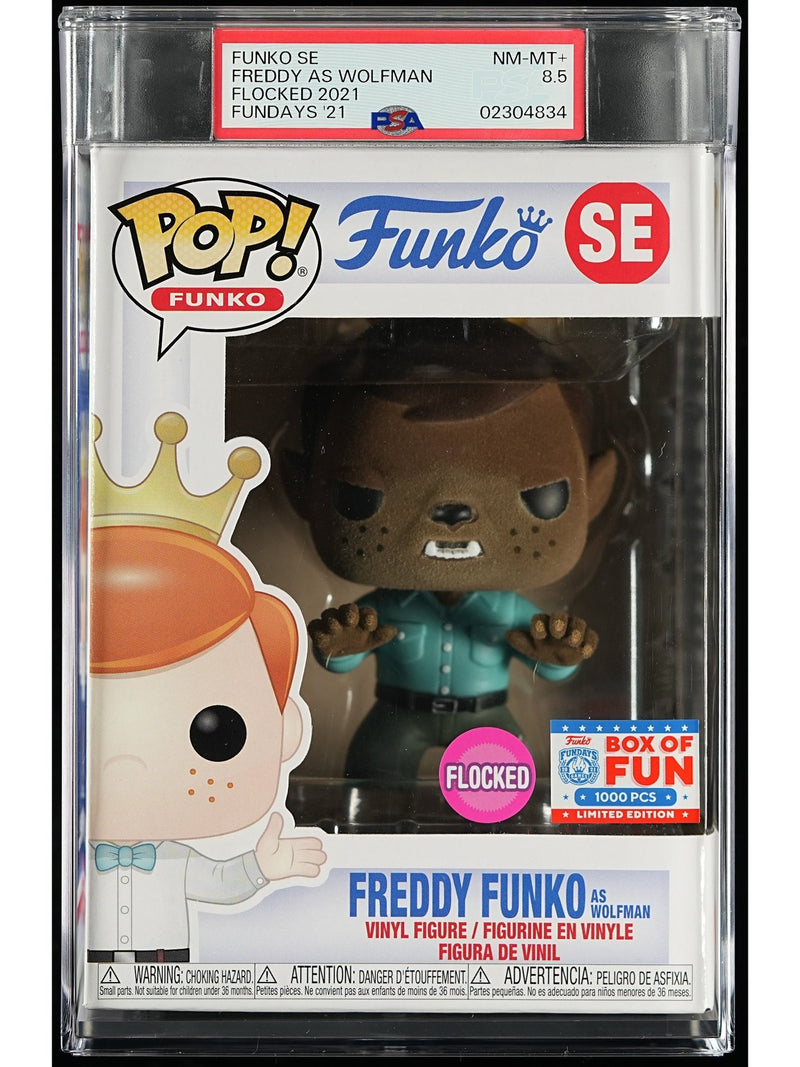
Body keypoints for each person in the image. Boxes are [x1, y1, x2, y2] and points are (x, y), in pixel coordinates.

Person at [283, 320, 619, 780]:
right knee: (373, 784)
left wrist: (558, 659)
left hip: (488, 720)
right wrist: (339, 649)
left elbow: (547, 662)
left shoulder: (509, 612)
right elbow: (339, 658)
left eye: (538, 497)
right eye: (364, 497)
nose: (454, 515)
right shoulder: (383, 608)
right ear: (303, 490)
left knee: (503, 802)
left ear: (594, 491)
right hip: (396, 717)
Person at [87, 412, 325, 963]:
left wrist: (263, 867)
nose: (126, 767)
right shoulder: (64, 855)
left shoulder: (176, 859)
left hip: (170, 966)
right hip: (73, 968)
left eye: (215, 734)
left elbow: (221, 882)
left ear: (284, 727)